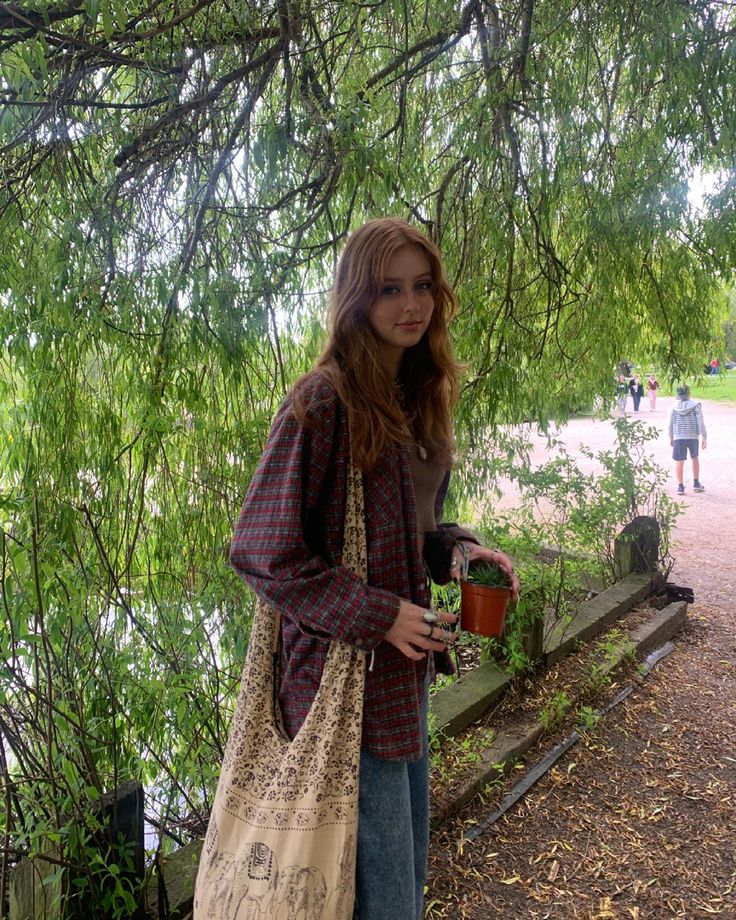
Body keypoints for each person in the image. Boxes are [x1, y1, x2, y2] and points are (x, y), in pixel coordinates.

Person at [228, 217, 519, 920]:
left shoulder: (416, 399)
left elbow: (406, 540)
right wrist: (381, 615)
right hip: (337, 695)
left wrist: (458, 552)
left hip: (400, 685)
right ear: (356, 296)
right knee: (372, 899)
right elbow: (262, 552)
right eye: (389, 288)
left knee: (397, 889)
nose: (410, 304)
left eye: (422, 286)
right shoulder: (321, 403)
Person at [668, 384, 707, 495]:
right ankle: (696, 483)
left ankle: (680, 486)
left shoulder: (673, 407)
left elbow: (670, 424)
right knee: (695, 458)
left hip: (679, 436)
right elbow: (701, 422)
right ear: (689, 393)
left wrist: (671, 437)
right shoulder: (696, 406)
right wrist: (704, 437)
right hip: (693, 435)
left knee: (680, 461)